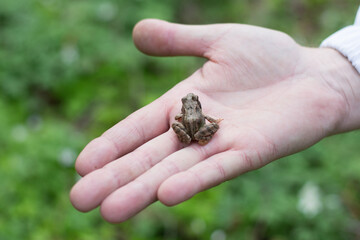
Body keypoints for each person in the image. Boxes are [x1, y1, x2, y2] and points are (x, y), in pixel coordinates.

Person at [70, 7, 360, 223]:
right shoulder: (198, 112)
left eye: (189, 101)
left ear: (188, 105)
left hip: (189, 131)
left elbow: (184, 122)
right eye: (189, 102)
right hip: (200, 129)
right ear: (192, 104)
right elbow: (204, 119)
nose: (189, 103)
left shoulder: (185, 116)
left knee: (179, 129)